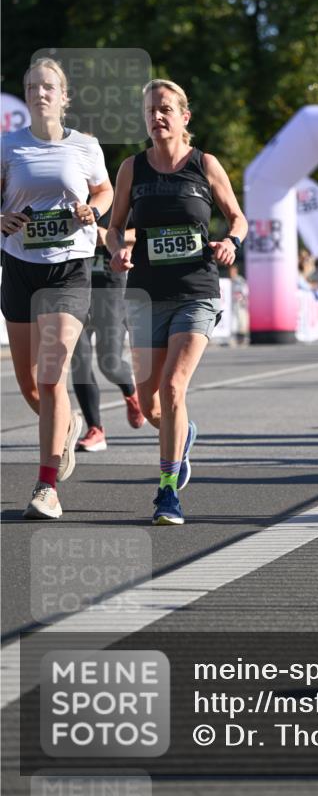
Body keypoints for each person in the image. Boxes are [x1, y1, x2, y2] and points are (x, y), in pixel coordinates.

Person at [107, 78, 248, 524]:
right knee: (152, 405)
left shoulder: (204, 164)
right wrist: (117, 250)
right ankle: (182, 435)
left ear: (184, 117)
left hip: (195, 291)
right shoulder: (132, 168)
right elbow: (114, 227)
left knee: (172, 388)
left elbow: (238, 217)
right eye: (150, 110)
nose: (157, 117)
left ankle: (167, 492)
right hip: (146, 293)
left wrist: (231, 243)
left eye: (166, 108)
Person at [1, 58, 113, 519]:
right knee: (30, 382)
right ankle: (63, 430)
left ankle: (46, 486)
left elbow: (103, 191)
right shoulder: (8, 146)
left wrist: (92, 209)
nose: (39, 92)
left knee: (51, 375)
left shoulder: (85, 146)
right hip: (20, 266)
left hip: (68, 268)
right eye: (32, 86)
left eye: (48, 86)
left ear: (64, 97)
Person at [70, 209, 146, 451]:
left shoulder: (116, 200)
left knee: (109, 363)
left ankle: (131, 392)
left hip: (110, 288)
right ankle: (95, 429)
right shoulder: (66, 198)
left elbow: (145, 233)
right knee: (79, 361)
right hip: (75, 286)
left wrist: (110, 236)